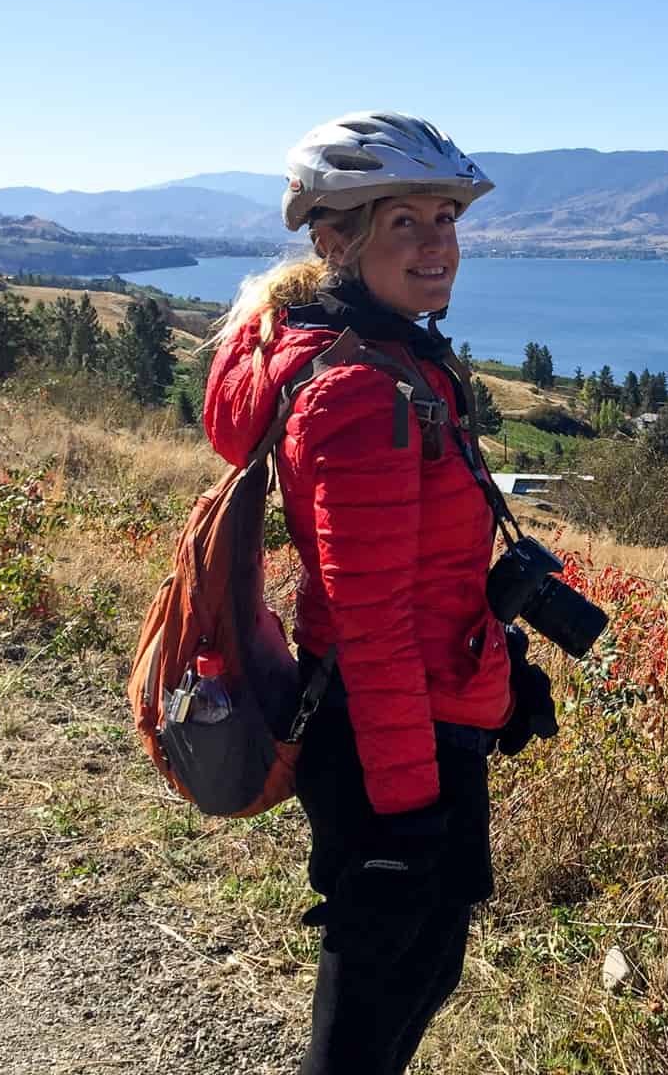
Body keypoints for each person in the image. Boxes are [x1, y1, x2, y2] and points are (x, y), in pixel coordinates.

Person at [202, 112, 556, 1073]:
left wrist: (500, 665)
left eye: (447, 220)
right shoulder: (357, 392)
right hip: (388, 737)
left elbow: (414, 573)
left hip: (421, 713)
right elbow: (370, 624)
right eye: (407, 223)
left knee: (420, 970)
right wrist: (403, 819)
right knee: (373, 999)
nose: (440, 246)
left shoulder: (383, 355)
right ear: (334, 240)